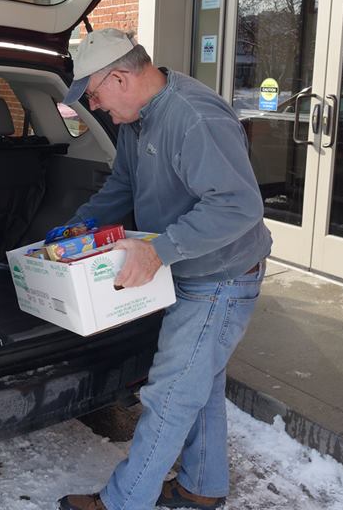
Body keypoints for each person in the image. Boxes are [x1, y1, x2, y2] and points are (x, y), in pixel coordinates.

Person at [57, 29, 272, 510]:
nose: (95, 107)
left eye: (94, 94)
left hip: (221, 278)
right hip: (194, 271)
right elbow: (123, 185)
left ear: (119, 77)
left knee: (171, 396)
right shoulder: (138, 120)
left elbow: (238, 206)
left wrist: (160, 250)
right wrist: (78, 230)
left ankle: (122, 501)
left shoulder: (193, 117)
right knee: (201, 386)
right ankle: (202, 486)